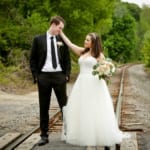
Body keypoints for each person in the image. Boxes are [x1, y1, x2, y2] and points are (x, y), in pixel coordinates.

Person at [60, 31, 127, 150]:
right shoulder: (83, 52)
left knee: (96, 110)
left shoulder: (99, 55)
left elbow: (106, 70)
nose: (85, 41)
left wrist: (106, 72)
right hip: (81, 84)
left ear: (93, 42)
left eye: (87, 40)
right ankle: (85, 135)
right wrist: (61, 32)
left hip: (94, 84)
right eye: (85, 39)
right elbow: (70, 44)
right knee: (83, 110)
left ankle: (102, 137)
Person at [30, 16, 71, 146]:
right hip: (44, 77)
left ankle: (68, 133)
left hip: (59, 76)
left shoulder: (62, 40)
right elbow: (33, 59)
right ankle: (44, 136)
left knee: (64, 106)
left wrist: (66, 75)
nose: (61, 31)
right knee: (44, 106)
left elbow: (67, 59)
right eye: (60, 28)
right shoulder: (38, 39)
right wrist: (36, 76)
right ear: (53, 25)